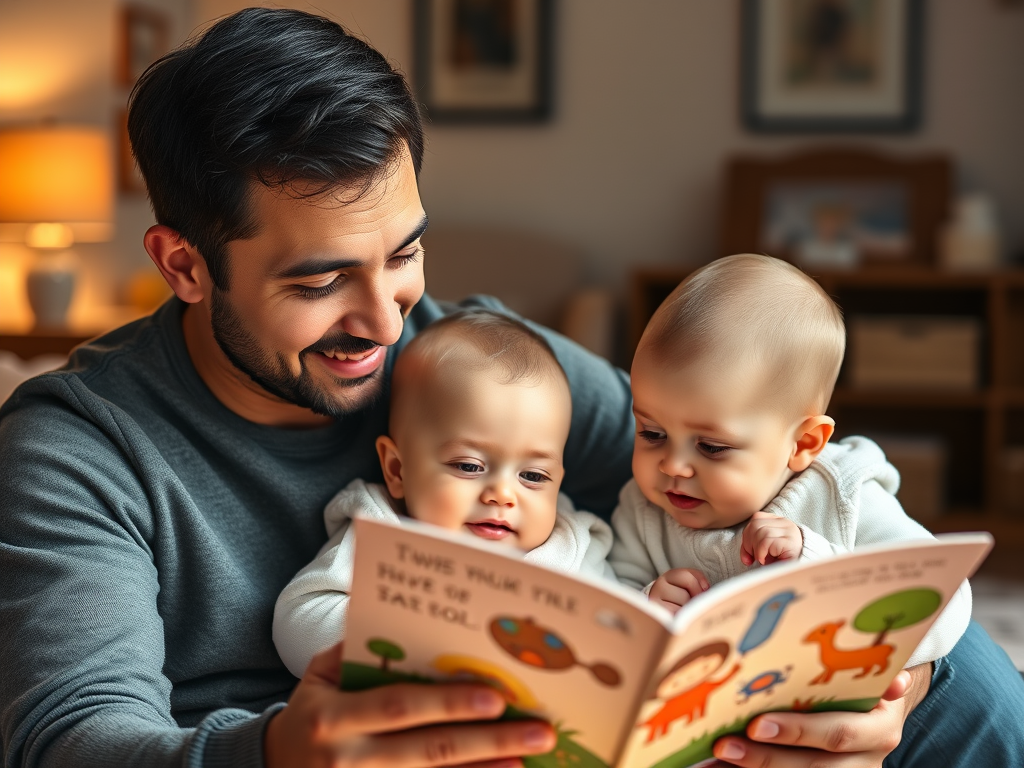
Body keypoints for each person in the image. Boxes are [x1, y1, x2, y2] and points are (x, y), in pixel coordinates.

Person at [0, 7, 1020, 768]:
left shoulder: (479, 358)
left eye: (402, 254)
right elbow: (72, 739)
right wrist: (272, 753)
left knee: (972, 678)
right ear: (183, 265)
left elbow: (720, 465)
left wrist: (889, 678)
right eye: (319, 281)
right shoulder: (78, 446)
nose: (387, 320)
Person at [608, 254, 970, 669]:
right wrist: (647, 602)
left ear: (802, 444)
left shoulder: (842, 497)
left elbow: (945, 597)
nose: (672, 466)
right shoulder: (642, 506)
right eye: (652, 434)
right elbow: (608, 596)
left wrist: (811, 559)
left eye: (711, 447)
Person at [273, 309, 616, 677]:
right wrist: (425, 635)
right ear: (397, 470)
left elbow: (622, 632)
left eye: (533, 476)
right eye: (469, 466)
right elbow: (298, 626)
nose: (503, 495)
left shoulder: (571, 547)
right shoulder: (382, 533)